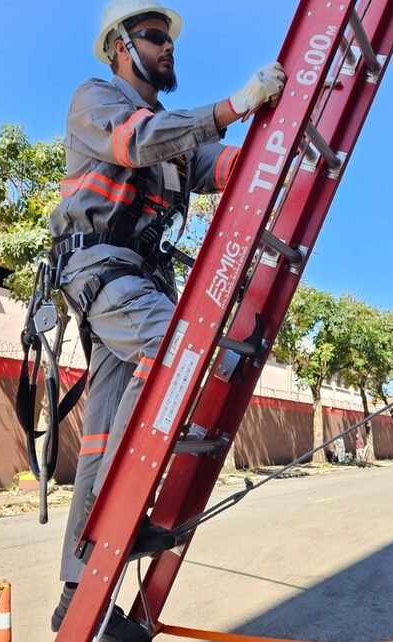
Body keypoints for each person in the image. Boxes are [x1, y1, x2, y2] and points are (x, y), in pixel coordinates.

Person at [46, 0, 286, 637]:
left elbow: (218, 165)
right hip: (102, 269)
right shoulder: (96, 99)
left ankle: (78, 590)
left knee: (100, 438)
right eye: (155, 37)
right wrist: (233, 106)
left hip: (135, 279)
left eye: (169, 39)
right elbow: (137, 141)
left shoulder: (171, 143)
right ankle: (116, 512)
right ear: (121, 45)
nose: (167, 47)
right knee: (177, 351)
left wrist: (277, 138)